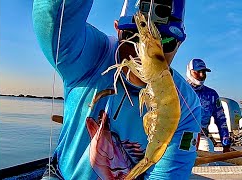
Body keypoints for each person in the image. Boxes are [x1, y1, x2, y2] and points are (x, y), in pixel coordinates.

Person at [33, 0, 201, 179]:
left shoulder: (187, 105)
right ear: (117, 30)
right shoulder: (90, 54)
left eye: (166, 41)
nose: (138, 53)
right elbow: (51, 13)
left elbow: (168, 174)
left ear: (179, 43)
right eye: (131, 36)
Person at [186, 58, 232, 153]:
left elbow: (221, 119)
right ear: (189, 71)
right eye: (198, 72)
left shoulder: (212, 94)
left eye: (204, 72)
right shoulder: (179, 91)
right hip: (181, 136)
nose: (202, 75)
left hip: (202, 136)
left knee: (208, 149)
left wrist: (226, 144)